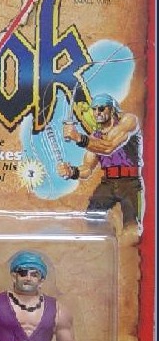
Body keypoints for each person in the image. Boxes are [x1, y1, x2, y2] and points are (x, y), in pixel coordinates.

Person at [58, 93, 143, 236]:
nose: (97, 112)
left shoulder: (128, 121)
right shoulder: (95, 138)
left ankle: (128, 245)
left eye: (102, 108)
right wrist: (71, 171)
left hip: (130, 183)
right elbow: (87, 169)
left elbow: (108, 146)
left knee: (132, 227)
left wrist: (78, 137)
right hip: (108, 183)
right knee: (92, 218)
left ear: (111, 109)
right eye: (94, 109)